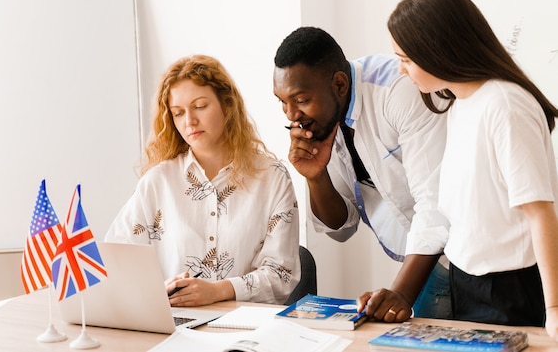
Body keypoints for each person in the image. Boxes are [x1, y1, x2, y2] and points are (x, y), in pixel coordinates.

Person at [360, 0, 558, 341]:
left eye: (405, 58)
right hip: (467, 282)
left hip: (511, 287)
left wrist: (555, 308)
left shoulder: (505, 105)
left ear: (436, 50)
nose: (401, 71)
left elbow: (539, 212)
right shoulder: (460, 102)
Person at [273, 26, 451, 319]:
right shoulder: (325, 121)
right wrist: (316, 177)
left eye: (301, 100)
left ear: (340, 85)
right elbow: (342, 227)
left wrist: (401, 293)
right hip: (426, 257)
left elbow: (436, 204)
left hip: (472, 254)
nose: (291, 115)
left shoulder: (398, 91)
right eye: (282, 101)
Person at [106, 54, 300, 307]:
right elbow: (116, 261)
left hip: (248, 331)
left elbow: (281, 276)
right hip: (174, 328)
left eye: (199, 106)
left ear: (227, 105)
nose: (189, 122)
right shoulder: (157, 182)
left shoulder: (272, 177)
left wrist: (218, 290)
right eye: (178, 113)